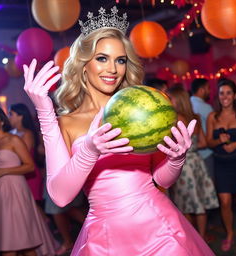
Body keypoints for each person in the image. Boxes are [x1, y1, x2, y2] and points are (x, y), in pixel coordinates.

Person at [23, 6, 215, 255]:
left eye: (120, 60)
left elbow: (161, 179)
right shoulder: (66, 123)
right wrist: (86, 147)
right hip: (106, 238)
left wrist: (176, 159)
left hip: (160, 231)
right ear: (83, 65)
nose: (112, 69)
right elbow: (60, 197)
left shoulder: (141, 109)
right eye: (102, 58)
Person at [0, 105, 56, 256]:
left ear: (2, 121)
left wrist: (3, 171)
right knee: (9, 243)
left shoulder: (14, 140)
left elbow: (30, 166)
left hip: (16, 191)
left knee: (24, 242)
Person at [167, 86, 219, 240]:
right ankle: (202, 236)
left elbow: (172, 144)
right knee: (199, 202)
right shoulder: (194, 117)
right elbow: (203, 143)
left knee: (184, 204)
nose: (168, 101)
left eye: (171, 98)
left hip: (183, 164)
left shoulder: (175, 119)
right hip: (197, 161)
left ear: (177, 100)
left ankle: (193, 237)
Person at [206, 78, 236, 252]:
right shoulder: (213, 116)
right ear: (217, 96)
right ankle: (229, 233)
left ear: (235, 95)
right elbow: (208, 142)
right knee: (225, 201)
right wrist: (217, 140)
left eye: (228, 93)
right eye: (221, 93)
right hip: (221, 164)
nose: (225, 96)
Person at [9, 103, 43, 202]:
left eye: (11, 114)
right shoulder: (10, 133)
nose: (9, 117)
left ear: (20, 116)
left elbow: (24, 156)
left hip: (30, 174)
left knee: (33, 206)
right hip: (17, 174)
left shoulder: (27, 133)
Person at [190, 78, 214, 180]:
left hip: (192, 154)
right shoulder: (206, 107)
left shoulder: (188, 104)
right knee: (210, 184)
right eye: (208, 88)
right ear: (201, 90)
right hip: (207, 153)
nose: (210, 91)